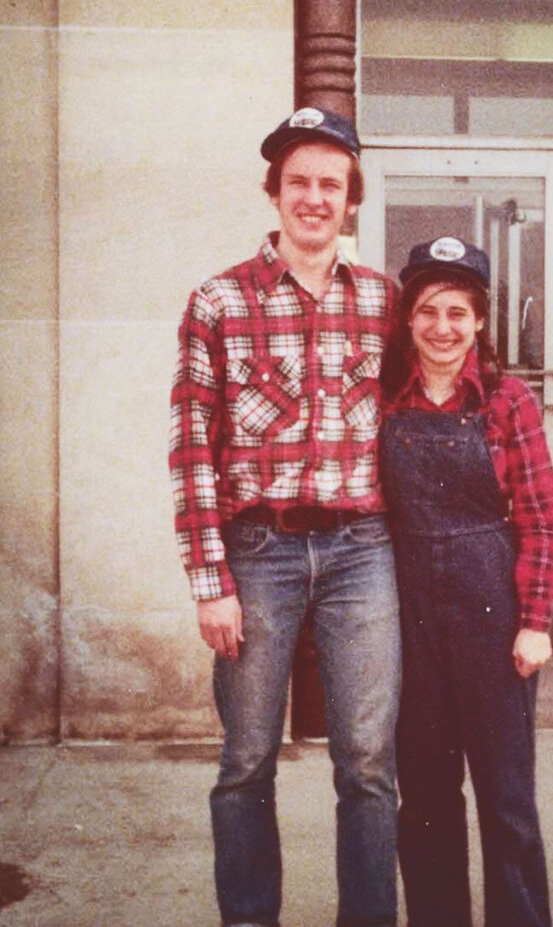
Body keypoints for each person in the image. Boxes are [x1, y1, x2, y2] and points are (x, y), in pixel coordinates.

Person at [169, 107, 402, 927]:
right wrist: (210, 581)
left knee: (369, 763)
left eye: (329, 184)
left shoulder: (386, 302)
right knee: (246, 760)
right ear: (274, 193)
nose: (313, 197)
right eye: (298, 181)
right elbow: (191, 444)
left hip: (362, 551)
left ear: (350, 200)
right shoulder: (218, 301)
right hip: (256, 549)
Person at [379, 236, 553, 927]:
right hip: (410, 620)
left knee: (506, 797)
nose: (441, 328)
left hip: (494, 621)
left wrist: (534, 622)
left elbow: (543, 519)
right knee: (424, 796)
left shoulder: (506, 402)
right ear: (407, 319)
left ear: (479, 320)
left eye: (457, 312)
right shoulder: (386, 402)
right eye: (427, 310)